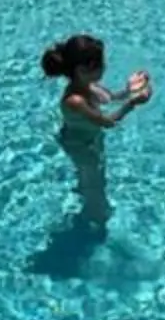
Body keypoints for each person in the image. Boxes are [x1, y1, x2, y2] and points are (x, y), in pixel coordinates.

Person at [38, 33, 152, 241]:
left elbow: (111, 98)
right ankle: (97, 223)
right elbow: (107, 122)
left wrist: (130, 90)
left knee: (90, 178)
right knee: (96, 187)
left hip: (88, 139)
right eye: (100, 64)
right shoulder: (75, 101)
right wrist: (132, 104)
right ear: (82, 70)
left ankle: (84, 195)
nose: (105, 67)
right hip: (80, 145)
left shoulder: (89, 86)